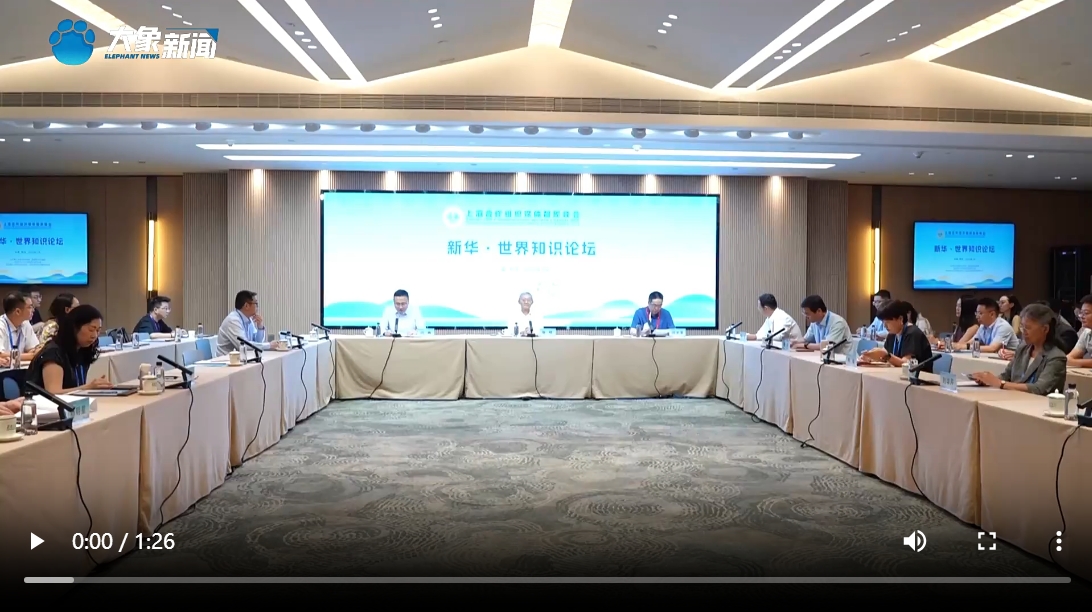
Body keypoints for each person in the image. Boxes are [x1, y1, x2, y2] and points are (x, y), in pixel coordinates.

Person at [971, 304, 1066, 396]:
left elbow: (1039, 389)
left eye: (1027, 328)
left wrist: (1000, 383)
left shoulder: (1056, 357)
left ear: (1045, 329)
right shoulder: (1023, 348)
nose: (1023, 332)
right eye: (1022, 327)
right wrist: (987, 380)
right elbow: (1006, 376)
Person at [24, 304, 112, 395]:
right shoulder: (53, 353)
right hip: (43, 403)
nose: (94, 335)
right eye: (91, 330)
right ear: (74, 328)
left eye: (98, 330)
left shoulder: (83, 350)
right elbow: (53, 393)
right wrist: (87, 388)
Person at [861, 300, 934, 371]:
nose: (885, 325)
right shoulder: (892, 334)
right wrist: (871, 357)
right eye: (883, 322)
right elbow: (885, 357)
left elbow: (905, 363)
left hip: (919, 377)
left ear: (900, 319)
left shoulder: (913, 333)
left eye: (888, 322)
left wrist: (886, 355)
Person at [952, 297, 1017, 353]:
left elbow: (992, 348)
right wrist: (955, 345)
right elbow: (971, 342)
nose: (977, 316)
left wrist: (965, 347)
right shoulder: (982, 326)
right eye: (976, 313)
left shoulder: (1003, 326)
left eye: (980, 313)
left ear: (992, 314)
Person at [216, 290, 267, 356]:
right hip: (226, 360)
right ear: (246, 306)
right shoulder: (233, 320)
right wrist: (269, 345)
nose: (257, 307)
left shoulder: (248, 319)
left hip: (240, 358)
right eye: (256, 304)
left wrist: (260, 327)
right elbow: (244, 345)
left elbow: (257, 342)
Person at [0, 292, 42, 367]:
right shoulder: (1, 325)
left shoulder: (25, 323)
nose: (33, 310)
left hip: (22, 369)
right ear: (18, 311)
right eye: (30, 307)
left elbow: (35, 350)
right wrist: (31, 356)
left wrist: (32, 354)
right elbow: (1, 355)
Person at [1066, 295, 1092, 368]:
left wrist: (1073, 362)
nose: (1081, 316)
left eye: (1086, 313)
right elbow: (1069, 357)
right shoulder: (1086, 332)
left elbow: (1070, 360)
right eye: (1081, 313)